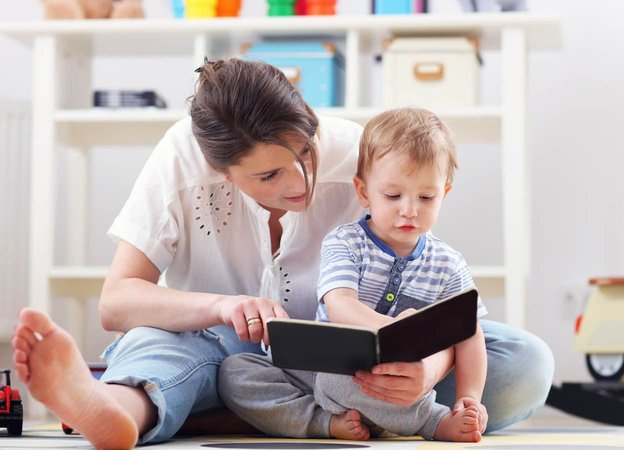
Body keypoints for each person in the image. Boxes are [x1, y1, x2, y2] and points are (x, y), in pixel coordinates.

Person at [11, 58, 554, 450]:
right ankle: (115, 415)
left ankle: (224, 415)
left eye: (304, 153)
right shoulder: (181, 160)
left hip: (354, 364)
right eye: (269, 175)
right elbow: (118, 302)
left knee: (525, 362)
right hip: (221, 348)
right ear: (220, 170)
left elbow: (442, 311)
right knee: (159, 352)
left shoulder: (367, 162)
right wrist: (220, 308)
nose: (299, 183)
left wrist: (428, 369)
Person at [220, 108, 490, 442]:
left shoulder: (449, 264)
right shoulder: (345, 242)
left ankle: (430, 420)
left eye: (426, 197)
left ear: (443, 194)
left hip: (390, 380)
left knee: (342, 383)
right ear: (363, 192)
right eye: (392, 196)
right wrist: (395, 330)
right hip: (325, 368)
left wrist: (470, 398)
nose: (409, 210)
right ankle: (326, 423)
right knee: (236, 372)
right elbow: (340, 305)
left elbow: (469, 333)